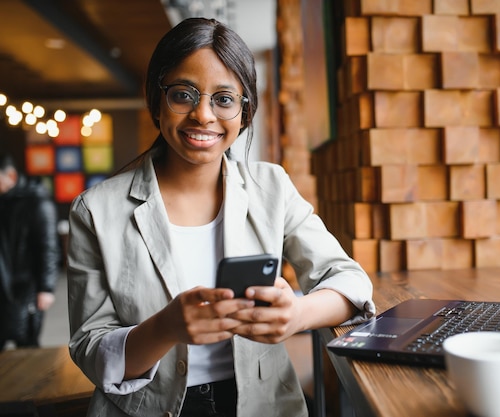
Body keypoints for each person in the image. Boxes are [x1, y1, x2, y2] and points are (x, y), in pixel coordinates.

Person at [66, 17, 375, 417]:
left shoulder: (272, 187)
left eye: (224, 99)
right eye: (183, 95)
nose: (204, 115)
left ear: (245, 113)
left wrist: (297, 315)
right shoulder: (96, 210)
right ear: (156, 100)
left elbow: (350, 281)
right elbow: (90, 350)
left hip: (264, 406)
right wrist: (166, 328)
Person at [0, 153, 59, 350]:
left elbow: (48, 248)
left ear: (11, 176)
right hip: (3, 282)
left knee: (26, 345)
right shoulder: (4, 199)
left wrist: (46, 288)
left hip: (26, 288)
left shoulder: (38, 203)